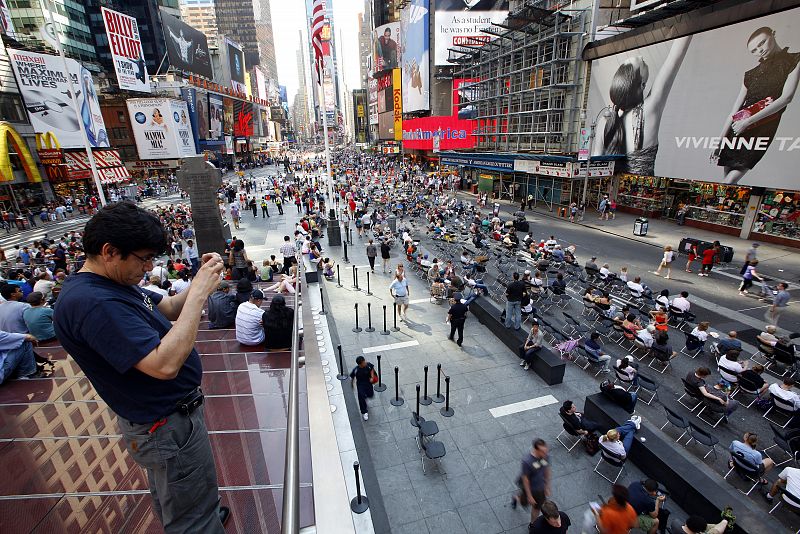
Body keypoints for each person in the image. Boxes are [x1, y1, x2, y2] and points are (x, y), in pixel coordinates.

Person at [52, 202, 230, 531]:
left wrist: (201, 281)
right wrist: (198, 295)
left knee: (181, 497)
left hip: (167, 420)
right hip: (165, 424)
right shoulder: (94, 303)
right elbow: (164, 365)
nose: (148, 267)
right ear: (109, 251)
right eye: (143, 258)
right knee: (193, 517)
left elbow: (171, 307)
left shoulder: (115, 284)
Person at [593, 35, 693, 176]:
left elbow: (596, 165)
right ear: (642, 85)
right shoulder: (649, 110)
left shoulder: (605, 121)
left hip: (610, 186)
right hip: (642, 188)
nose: (640, 56)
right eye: (642, 62)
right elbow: (675, 57)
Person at [713, 27, 800, 184]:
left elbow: (786, 98)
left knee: (728, 183)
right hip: (737, 128)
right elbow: (734, 111)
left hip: (762, 127)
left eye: (762, 43)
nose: (760, 50)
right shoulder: (750, 74)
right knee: (727, 183)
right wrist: (719, 142)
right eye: (754, 50)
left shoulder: (794, 60)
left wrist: (747, 122)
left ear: (773, 34)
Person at [511, 438, 551, 527]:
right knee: (524, 503)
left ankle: (532, 524)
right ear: (536, 450)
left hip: (540, 488)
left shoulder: (546, 456)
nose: (545, 454)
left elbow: (547, 469)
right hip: (528, 488)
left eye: (546, 451)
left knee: (537, 507)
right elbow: (525, 479)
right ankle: (516, 497)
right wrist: (529, 496)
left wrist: (547, 486)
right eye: (543, 452)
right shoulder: (527, 461)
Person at [350, 356, 375, 420]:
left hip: (368, 383)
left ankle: (365, 397)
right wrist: (352, 385)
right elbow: (352, 377)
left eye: (364, 361)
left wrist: (372, 377)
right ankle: (364, 412)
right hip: (360, 385)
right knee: (361, 397)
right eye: (363, 362)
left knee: (370, 394)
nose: (365, 363)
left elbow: (372, 369)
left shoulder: (368, 365)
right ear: (360, 364)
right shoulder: (356, 370)